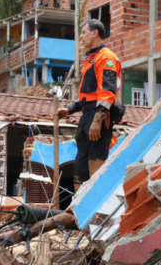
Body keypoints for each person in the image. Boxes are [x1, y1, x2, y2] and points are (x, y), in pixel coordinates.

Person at [57, 19, 121, 191]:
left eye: (84, 32)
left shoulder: (106, 57)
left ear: (95, 33)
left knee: (95, 159)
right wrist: (70, 109)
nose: (81, 36)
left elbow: (107, 91)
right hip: (87, 115)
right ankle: (78, 207)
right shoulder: (91, 59)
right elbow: (88, 96)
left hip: (98, 115)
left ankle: (96, 204)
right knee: (81, 162)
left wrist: (98, 119)